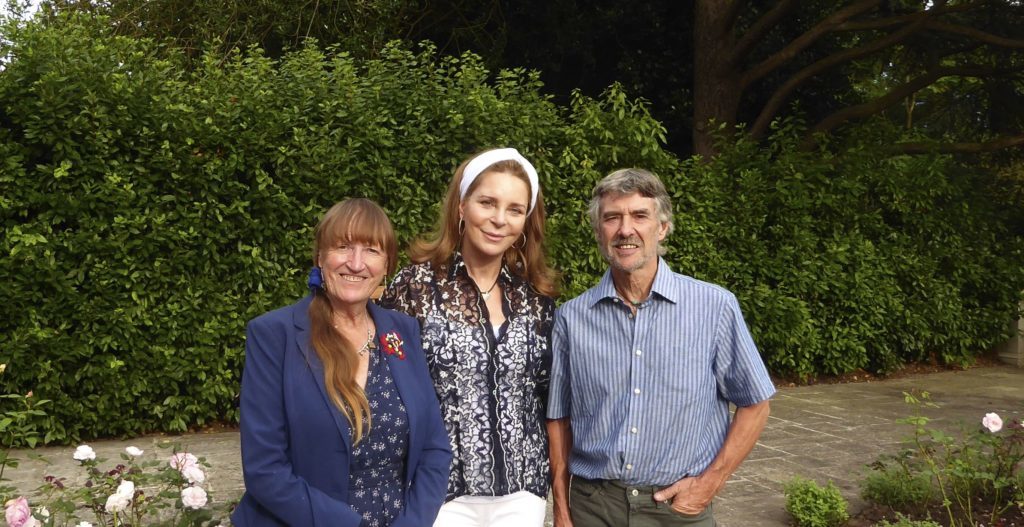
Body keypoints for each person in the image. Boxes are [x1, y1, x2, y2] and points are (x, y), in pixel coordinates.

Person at [547, 168, 776, 527]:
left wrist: (709, 484)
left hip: (677, 511)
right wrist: (561, 509)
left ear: (663, 227)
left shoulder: (714, 307)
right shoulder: (571, 318)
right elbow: (558, 420)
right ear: (598, 231)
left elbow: (756, 404)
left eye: (640, 215)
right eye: (612, 217)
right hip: (594, 508)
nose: (625, 229)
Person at [232, 198, 452, 527]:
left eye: (372, 250)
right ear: (320, 257)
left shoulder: (402, 331)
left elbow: (435, 449)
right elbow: (265, 470)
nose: (356, 263)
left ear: (387, 265)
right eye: (343, 247)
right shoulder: (274, 335)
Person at [381, 148, 559, 526]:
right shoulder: (414, 288)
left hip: (522, 492)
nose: (499, 219)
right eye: (487, 203)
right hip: (440, 492)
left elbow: (548, 396)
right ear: (462, 206)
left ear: (526, 221)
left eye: (515, 209)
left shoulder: (536, 298)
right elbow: (386, 386)